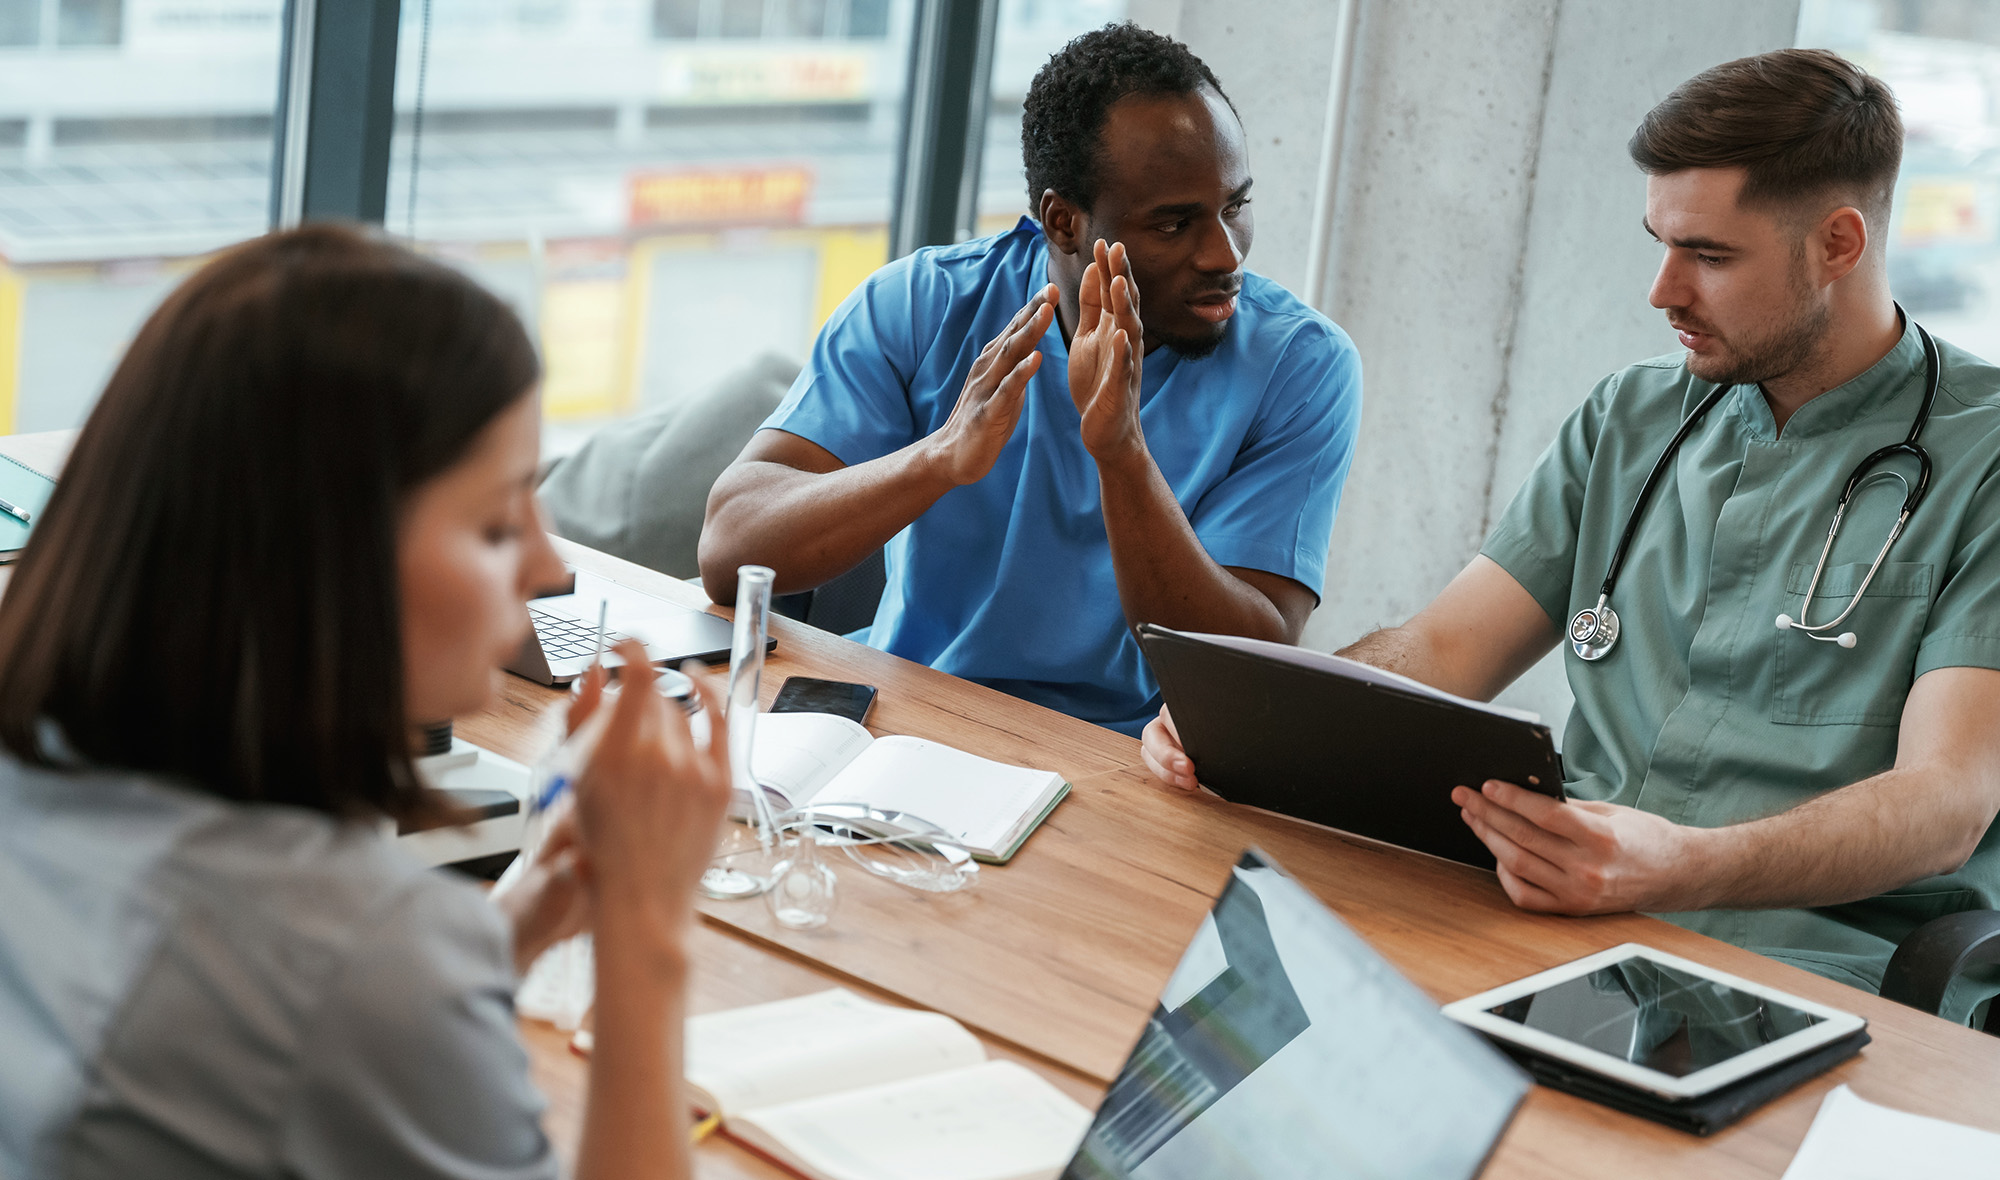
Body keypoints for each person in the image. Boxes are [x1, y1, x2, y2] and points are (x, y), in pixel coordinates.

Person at [1143, 49, 2000, 1021]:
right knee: (1222, 1010)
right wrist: (1257, 728)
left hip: (1819, 975)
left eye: (1708, 256)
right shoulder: (1631, 418)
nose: (1661, 290)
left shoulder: (1983, 462)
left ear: (1837, 243)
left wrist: (1676, 865)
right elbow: (1443, 647)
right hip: (1568, 933)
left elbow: (1944, 802)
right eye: (1658, 244)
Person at [0, 225, 731, 1178]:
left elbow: (303, 1050)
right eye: (496, 520)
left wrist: (532, 908)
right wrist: (647, 929)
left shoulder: (47, 774)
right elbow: (342, 998)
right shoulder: (352, 952)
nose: (551, 567)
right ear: (322, 560)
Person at [698, 22, 1362, 736]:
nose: (1223, 253)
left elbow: (1245, 674)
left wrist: (1122, 453)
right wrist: (939, 458)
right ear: (1064, 221)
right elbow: (730, 552)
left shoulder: (1300, 366)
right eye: (1175, 224)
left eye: (1235, 206)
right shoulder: (924, 303)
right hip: (905, 716)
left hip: (1125, 762)